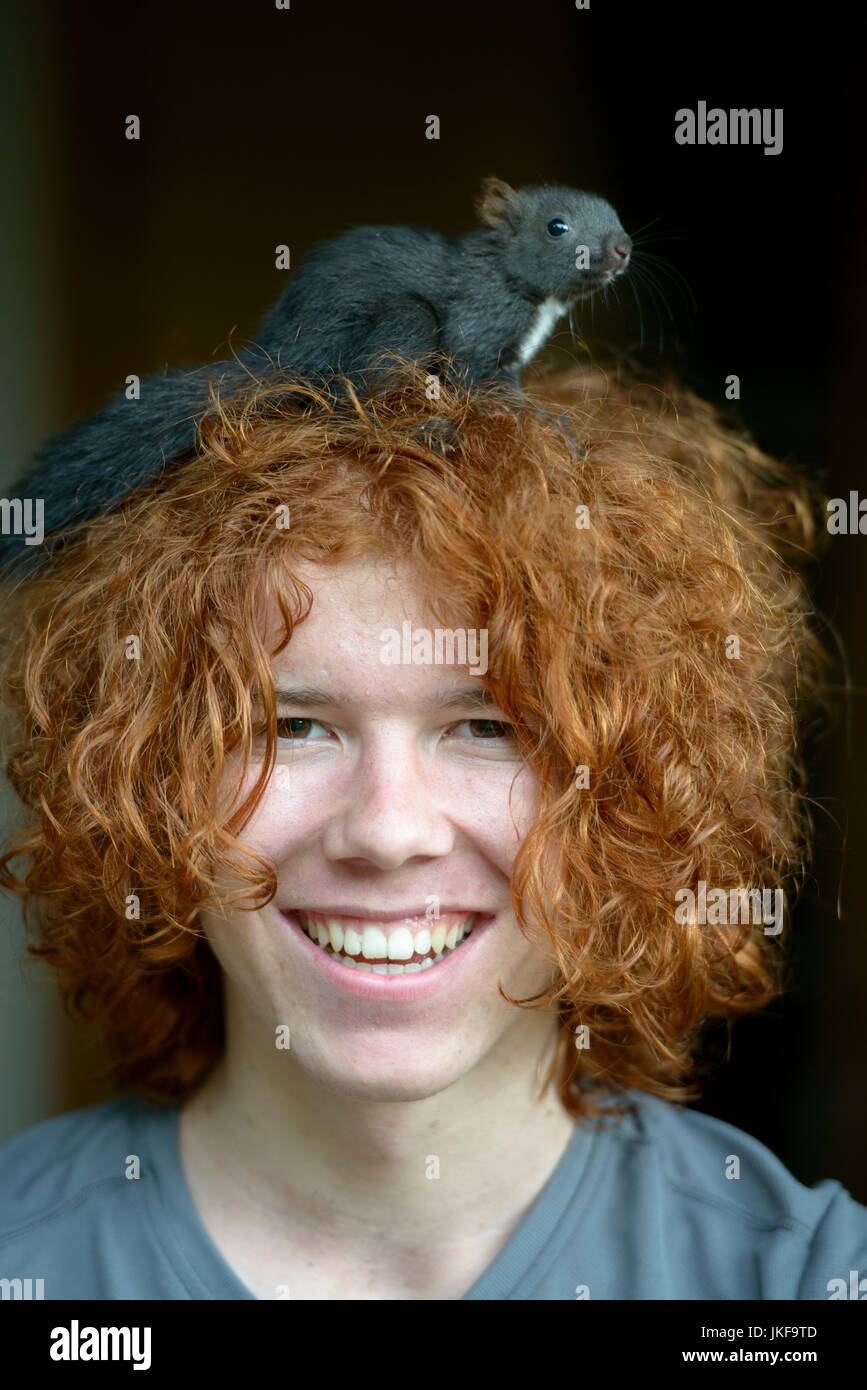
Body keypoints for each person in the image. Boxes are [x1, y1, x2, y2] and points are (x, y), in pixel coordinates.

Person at [0, 360, 864, 1301]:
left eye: (487, 728)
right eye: (292, 726)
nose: (386, 829)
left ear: (635, 796)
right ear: (151, 784)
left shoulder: (800, 1283)